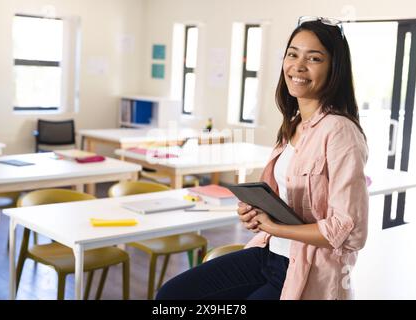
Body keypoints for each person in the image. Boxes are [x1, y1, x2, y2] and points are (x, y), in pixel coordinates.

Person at [156, 16, 369, 300]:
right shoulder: (293, 125)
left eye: (314, 58)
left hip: (306, 269)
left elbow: (348, 229)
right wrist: (257, 214)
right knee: (172, 295)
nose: (298, 66)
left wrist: (277, 227)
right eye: (292, 54)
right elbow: (283, 201)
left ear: (334, 69)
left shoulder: (340, 131)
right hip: (268, 253)